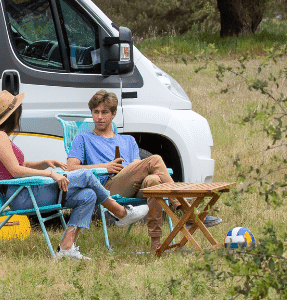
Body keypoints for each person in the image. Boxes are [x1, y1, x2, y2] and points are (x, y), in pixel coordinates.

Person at [0, 90, 148, 260]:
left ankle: (66, 248)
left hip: (25, 191)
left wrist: (43, 162)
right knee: (84, 175)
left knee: (88, 195)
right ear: (12, 115)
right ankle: (120, 212)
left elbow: (19, 165)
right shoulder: (0, 137)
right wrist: (50, 174)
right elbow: (16, 171)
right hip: (21, 194)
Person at [65, 90, 221, 252]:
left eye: (104, 112)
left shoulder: (127, 140)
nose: (99, 117)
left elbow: (138, 167)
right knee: (155, 159)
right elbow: (70, 168)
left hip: (132, 184)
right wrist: (106, 167)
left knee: (153, 182)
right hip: (108, 187)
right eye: (96, 112)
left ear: (113, 114)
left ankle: (156, 245)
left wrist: (129, 171)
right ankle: (185, 210)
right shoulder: (83, 138)